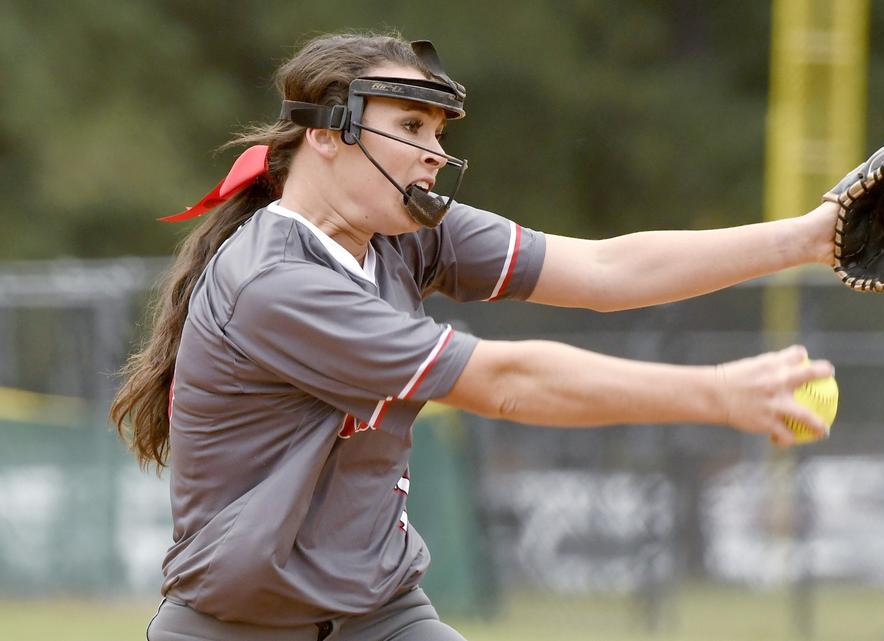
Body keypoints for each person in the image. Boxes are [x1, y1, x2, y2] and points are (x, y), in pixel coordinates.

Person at [111, 31, 840, 641]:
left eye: (437, 133)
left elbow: (606, 267)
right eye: (409, 126)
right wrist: (717, 393)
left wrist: (810, 239)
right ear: (327, 134)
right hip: (240, 628)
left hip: (379, 614)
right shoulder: (275, 281)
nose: (432, 151)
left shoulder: (399, 237)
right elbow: (504, 381)